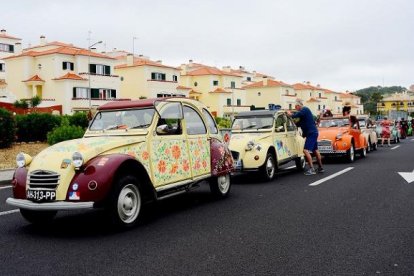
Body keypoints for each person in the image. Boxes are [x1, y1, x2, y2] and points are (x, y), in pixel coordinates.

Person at [289, 98, 324, 175]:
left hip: (311, 133)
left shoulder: (305, 109)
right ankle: (320, 167)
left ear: (298, 105)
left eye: (296, 106)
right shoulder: (303, 114)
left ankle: (312, 169)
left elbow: (297, 115)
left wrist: (290, 114)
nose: (295, 108)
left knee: (305, 150)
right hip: (313, 132)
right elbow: (298, 124)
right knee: (315, 150)